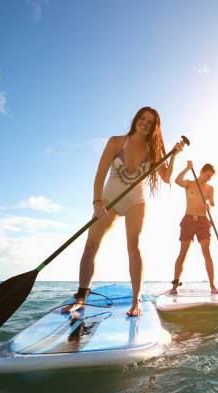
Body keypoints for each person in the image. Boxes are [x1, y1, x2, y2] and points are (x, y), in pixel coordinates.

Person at [62, 107, 183, 316]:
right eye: (142, 118)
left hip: (136, 201)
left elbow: (165, 177)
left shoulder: (154, 151)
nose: (144, 122)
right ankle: (81, 296)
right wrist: (97, 202)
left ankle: (136, 301)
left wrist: (174, 156)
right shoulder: (116, 142)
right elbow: (99, 175)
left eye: (150, 121)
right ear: (137, 119)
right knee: (91, 245)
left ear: (154, 127)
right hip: (108, 200)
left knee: (134, 246)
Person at [169, 161, 218, 294]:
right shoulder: (189, 183)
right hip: (189, 220)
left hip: (203, 222)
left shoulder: (210, 189)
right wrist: (187, 168)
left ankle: (212, 286)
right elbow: (176, 180)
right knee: (183, 253)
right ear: (202, 171)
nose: (209, 179)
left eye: (211, 177)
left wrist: (210, 205)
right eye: (208, 175)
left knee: (207, 253)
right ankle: (174, 286)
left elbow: (213, 203)